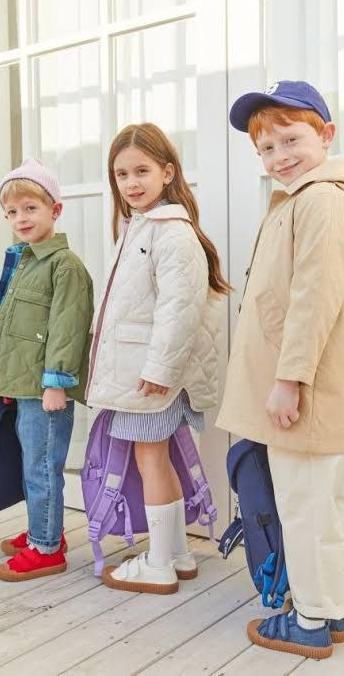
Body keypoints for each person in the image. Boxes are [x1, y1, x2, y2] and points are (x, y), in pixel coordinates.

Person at [216, 80, 344, 658]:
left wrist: (290, 381)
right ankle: (330, 607)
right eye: (266, 147)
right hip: (318, 386)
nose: (279, 156)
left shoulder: (321, 200)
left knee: (305, 504)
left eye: (291, 140)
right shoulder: (307, 197)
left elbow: (314, 297)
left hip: (308, 388)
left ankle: (308, 621)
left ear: (325, 134)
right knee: (324, 500)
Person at [86, 122, 230, 594]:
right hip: (145, 372)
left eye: (141, 171)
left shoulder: (170, 233)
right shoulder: (140, 228)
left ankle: (160, 563)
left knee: (150, 460)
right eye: (121, 174)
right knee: (157, 459)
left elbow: (178, 311)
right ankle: (178, 555)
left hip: (152, 376)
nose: (131, 183)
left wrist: (159, 370)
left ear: (167, 172)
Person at [0, 157, 93, 581]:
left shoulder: (65, 266)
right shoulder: (25, 262)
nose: (21, 218)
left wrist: (57, 383)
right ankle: (44, 531)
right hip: (25, 386)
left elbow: (67, 328)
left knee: (43, 466)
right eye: (12, 212)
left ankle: (46, 549)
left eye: (31, 208)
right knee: (32, 463)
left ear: (55, 210)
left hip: (47, 390)